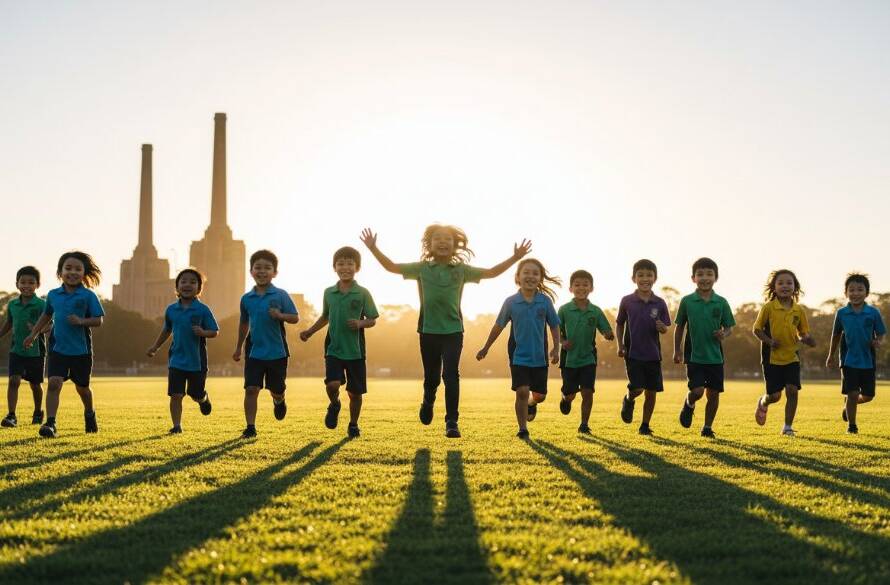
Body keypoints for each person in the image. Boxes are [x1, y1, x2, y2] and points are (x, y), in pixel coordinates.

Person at [361, 225, 531, 438]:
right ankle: (428, 400)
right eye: (437, 239)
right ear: (430, 245)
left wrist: (515, 257)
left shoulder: (461, 270)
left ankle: (452, 421)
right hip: (428, 331)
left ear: (454, 245)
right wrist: (373, 248)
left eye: (447, 239)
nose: (442, 242)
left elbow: (491, 272)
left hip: (453, 331)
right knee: (432, 378)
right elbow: (392, 267)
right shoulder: (421, 268)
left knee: (451, 375)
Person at [476, 258, 561, 439]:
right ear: (518, 277)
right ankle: (523, 429)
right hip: (518, 356)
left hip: (539, 357)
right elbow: (498, 326)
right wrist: (486, 347)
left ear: (540, 278)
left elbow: (554, 325)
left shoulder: (545, 302)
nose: (530, 276)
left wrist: (556, 348)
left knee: (540, 395)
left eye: (535, 273)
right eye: (526, 272)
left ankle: (532, 403)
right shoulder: (511, 302)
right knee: (521, 391)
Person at [300, 246, 379, 439]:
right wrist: (309, 331)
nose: (345, 267)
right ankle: (334, 404)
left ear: (357, 267)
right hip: (333, 348)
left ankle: (353, 424)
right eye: (341, 264)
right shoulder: (329, 293)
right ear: (334, 267)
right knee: (332, 385)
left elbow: (373, 319)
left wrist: (360, 323)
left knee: (355, 393)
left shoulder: (363, 293)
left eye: (350, 264)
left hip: (355, 352)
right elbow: (325, 316)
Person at [24, 251, 104, 438]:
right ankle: (50, 423)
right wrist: (33, 334)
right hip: (58, 349)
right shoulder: (53, 295)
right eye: (68, 268)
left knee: (82, 388)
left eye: (78, 269)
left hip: (81, 351)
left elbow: (98, 320)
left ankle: (89, 413)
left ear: (84, 273)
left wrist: (81, 321)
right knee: (54, 383)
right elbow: (46, 316)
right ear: (60, 272)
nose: (72, 272)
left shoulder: (88, 296)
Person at [233, 250, 299, 439]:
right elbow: (244, 323)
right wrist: (238, 347)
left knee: (276, 390)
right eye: (258, 268)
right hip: (254, 351)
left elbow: (295, 318)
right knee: (251, 388)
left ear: (274, 273)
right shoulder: (246, 299)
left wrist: (280, 316)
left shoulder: (280, 295)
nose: (262, 271)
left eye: (267, 268)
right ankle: (250, 427)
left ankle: (279, 401)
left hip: (277, 351)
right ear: (251, 271)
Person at [146, 268, 219, 434]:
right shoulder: (171, 310)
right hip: (176, 360)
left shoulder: (203, 310)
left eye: (193, 282)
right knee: (176, 394)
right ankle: (177, 426)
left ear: (199, 288)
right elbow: (166, 330)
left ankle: (203, 399)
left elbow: (214, 331)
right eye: (183, 281)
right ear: (177, 287)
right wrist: (155, 347)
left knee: (195, 393)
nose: (187, 285)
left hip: (197, 361)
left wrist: (203, 332)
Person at [674, 258, 735, 438]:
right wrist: (676, 350)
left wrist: (724, 334)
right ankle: (689, 403)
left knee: (714, 394)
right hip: (694, 356)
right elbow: (679, 326)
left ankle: (707, 428)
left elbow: (730, 327)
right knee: (698, 391)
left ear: (715, 277)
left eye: (709, 274)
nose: (705, 278)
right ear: (693, 278)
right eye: (700, 274)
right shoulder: (687, 301)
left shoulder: (721, 302)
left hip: (715, 357)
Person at [753, 269, 816, 436]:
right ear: (774, 287)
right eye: (780, 283)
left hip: (791, 356)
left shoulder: (799, 310)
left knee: (792, 390)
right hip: (771, 357)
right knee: (774, 396)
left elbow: (802, 333)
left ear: (795, 287)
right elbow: (757, 330)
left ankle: (787, 427)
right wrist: (770, 341)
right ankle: (763, 402)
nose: (785, 286)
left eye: (789, 283)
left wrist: (807, 339)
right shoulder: (768, 308)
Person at [825, 273, 886, 434]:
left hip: (868, 361)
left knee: (867, 396)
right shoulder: (842, 313)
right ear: (846, 293)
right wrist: (830, 355)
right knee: (852, 393)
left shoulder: (873, 312)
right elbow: (836, 335)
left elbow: (881, 333)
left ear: (867, 292)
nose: (855, 293)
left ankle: (848, 405)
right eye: (851, 290)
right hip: (848, 360)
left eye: (860, 289)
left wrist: (878, 341)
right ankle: (852, 426)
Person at [615, 259, 671, 435]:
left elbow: (665, 328)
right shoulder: (627, 301)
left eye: (649, 275)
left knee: (651, 392)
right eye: (641, 275)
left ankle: (645, 425)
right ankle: (629, 398)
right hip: (633, 353)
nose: (645, 278)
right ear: (634, 278)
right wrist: (620, 344)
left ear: (655, 278)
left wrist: (662, 328)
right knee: (638, 388)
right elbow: (619, 324)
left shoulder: (660, 303)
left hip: (653, 354)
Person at [556, 269, 614, 434]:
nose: (581, 288)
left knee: (587, 392)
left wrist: (608, 334)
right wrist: (562, 341)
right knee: (571, 393)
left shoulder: (595, 311)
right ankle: (565, 399)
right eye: (577, 285)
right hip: (569, 359)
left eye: (585, 285)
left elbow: (606, 329)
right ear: (570, 288)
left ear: (591, 288)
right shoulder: (564, 310)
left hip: (588, 358)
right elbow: (555, 331)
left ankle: (584, 424)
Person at [0, 266, 48, 428]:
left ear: (37, 285)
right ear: (17, 284)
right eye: (23, 282)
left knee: (35, 385)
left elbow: (51, 325)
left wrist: (36, 330)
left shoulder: (42, 304)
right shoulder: (12, 304)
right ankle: (11, 415)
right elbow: (9, 323)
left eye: (31, 282)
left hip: (36, 351)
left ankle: (37, 412)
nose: (26, 285)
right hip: (16, 350)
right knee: (14, 381)